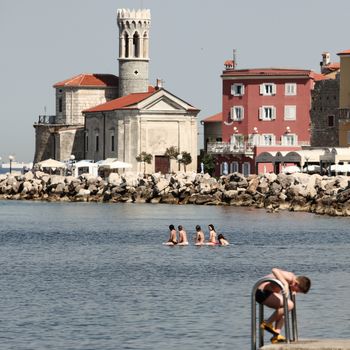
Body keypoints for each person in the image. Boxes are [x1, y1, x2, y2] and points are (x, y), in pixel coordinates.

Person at [256, 267, 311, 344]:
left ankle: (276, 336)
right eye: (297, 290)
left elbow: (289, 286)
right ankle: (267, 323)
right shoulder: (289, 277)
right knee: (290, 305)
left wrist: (292, 290)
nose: (296, 292)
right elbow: (274, 270)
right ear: (296, 284)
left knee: (284, 312)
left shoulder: (292, 282)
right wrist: (284, 283)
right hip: (261, 292)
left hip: (268, 293)